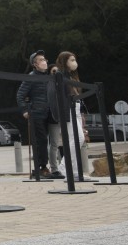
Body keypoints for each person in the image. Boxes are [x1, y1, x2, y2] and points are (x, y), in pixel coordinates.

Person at [16, 51, 62, 179]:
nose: (44, 62)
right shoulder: (31, 76)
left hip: (47, 114)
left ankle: (44, 168)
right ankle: (41, 168)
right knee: (40, 141)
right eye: (40, 60)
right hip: (36, 114)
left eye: (44, 59)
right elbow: (20, 95)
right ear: (34, 64)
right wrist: (25, 110)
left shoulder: (47, 76)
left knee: (45, 141)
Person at [52, 51, 88, 176]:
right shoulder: (60, 75)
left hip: (76, 108)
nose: (74, 63)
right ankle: (64, 167)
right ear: (64, 61)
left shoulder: (72, 76)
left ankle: (72, 169)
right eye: (71, 60)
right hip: (68, 109)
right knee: (78, 138)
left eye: (74, 59)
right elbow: (59, 96)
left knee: (76, 139)